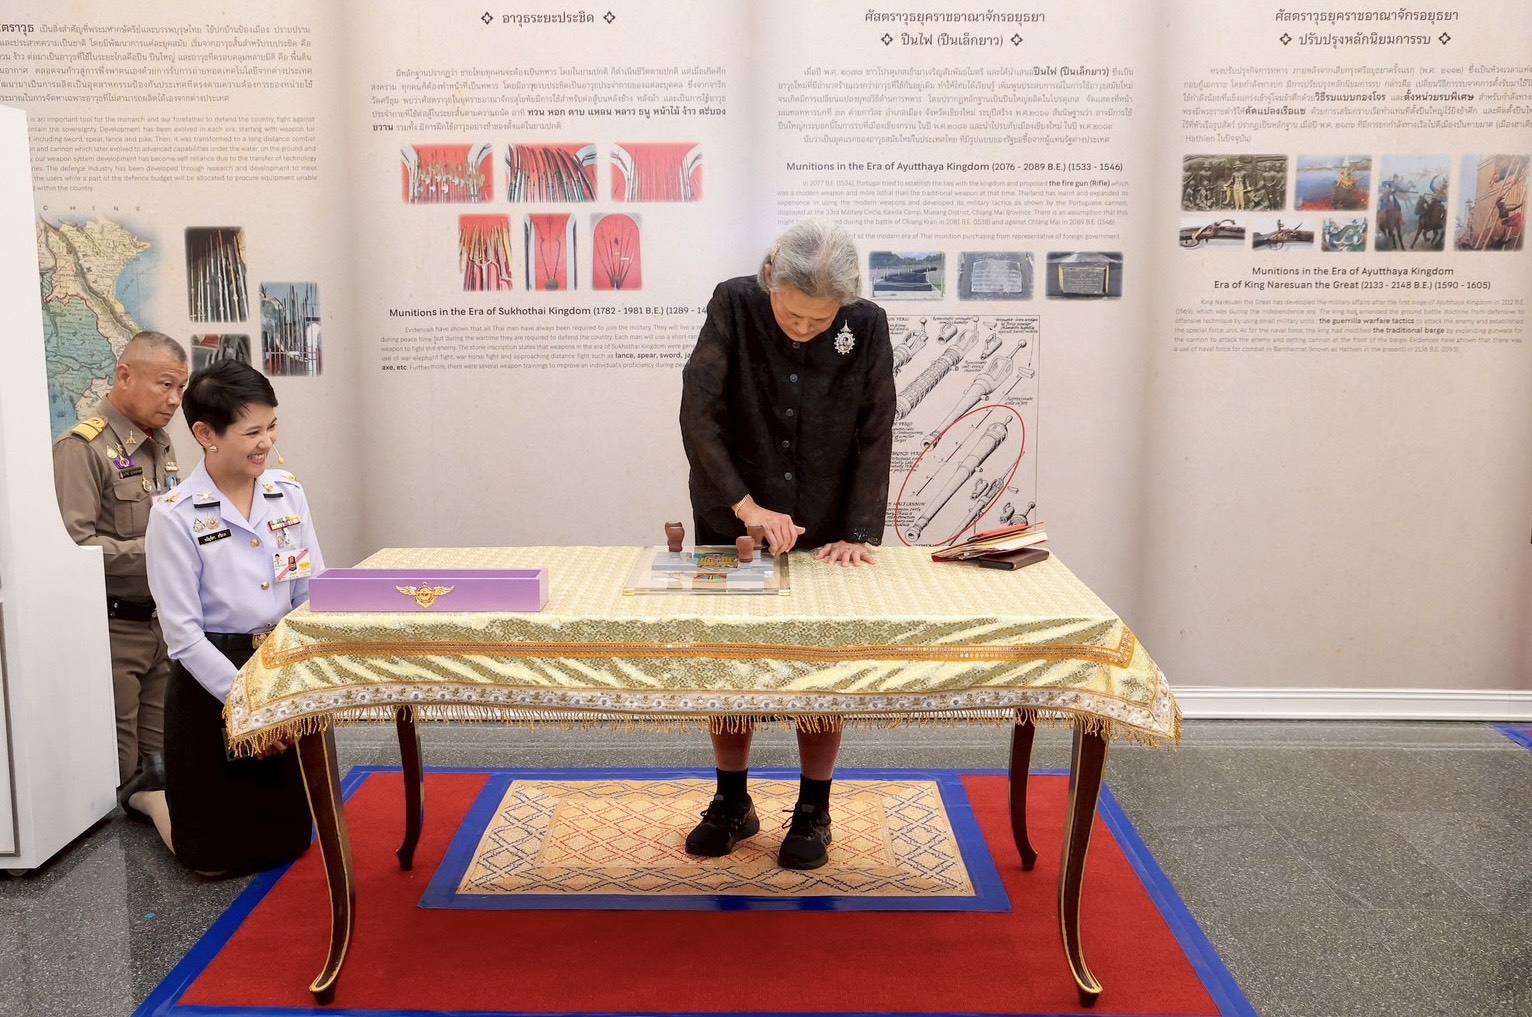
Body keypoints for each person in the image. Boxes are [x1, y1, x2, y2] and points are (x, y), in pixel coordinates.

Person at [677, 220, 895, 869]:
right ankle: (731, 801)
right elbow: (698, 412)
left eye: (819, 320)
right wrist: (743, 505)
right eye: (792, 314)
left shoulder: (868, 325)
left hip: (825, 526)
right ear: (771, 276)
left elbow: (875, 426)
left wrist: (858, 530)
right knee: (730, 662)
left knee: (820, 665)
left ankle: (813, 808)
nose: (803, 328)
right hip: (735, 517)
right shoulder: (734, 304)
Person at [135, 359, 323, 874]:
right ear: (206, 434)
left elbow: (309, 594)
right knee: (209, 860)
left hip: (278, 665)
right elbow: (183, 637)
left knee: (289, 843)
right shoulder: (174, 516)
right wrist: (247, 702)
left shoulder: (287, 494)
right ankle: (151, 797)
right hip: (211, 682)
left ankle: (161, 791)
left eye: (271, 426)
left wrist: (289, 689)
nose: (267, 443)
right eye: (251, 432)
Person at [52, 331, 189, 794]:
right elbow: (75, 547)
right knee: (118, 770)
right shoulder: (82, 448)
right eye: (165, 385)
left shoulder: (160, 443)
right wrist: (163, 551)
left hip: (160, 626)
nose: (174, 400)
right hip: (113, 632)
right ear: (125, 376)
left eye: (181, 388)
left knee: (163, 764)